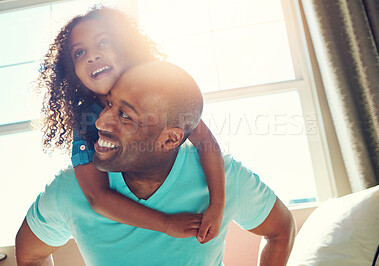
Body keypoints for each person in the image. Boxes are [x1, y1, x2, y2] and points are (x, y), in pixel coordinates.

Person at [16, 62, 296, 265]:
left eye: (125, 115)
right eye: (109, 105)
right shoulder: (71, 190)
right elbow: (29, 254)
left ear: (170, 139)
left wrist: (218, 203)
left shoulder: (224, 178)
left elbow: (281, 228)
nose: (100, 122)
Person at [36, 6, 224, 243]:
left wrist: (217, 206)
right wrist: (166, 223)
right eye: (80, 52)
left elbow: (206, 142)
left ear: (126, 46)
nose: (92, 56)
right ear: (72, 72)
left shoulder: (159, 91)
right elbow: (97, 197)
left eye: (103, 42)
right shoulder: (84, 123)